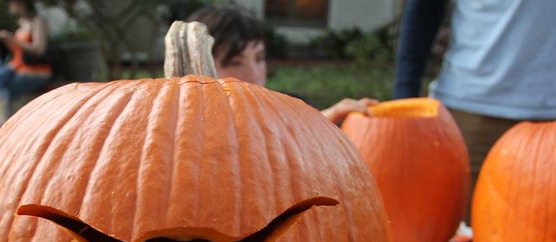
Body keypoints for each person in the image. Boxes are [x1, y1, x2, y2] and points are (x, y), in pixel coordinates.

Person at [394, 0, 556, 195]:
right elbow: (423, 10)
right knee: (458, 222)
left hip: (550, 113)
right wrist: (403, 103)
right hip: (470, 114)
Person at [187, 5, 376, 125]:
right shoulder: (187, 125)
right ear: (198, 67)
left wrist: (329, 120)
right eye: (235, 62)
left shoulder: (289, 107)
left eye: (259, 58)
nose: (254, 73)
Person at [0, 0, 52, 132]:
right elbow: (17, 50)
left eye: (12, 3)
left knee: (1, 86)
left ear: (21, 4)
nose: (9, 6)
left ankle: (3, 123)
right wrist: (6, 40)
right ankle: (4, 123)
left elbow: (39, 49)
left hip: (35, 70)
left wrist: (12, 39)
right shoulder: (21, 23)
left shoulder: (37, 22)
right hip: (18, 66)